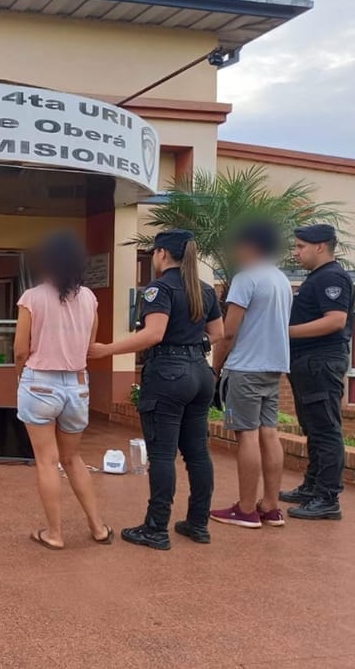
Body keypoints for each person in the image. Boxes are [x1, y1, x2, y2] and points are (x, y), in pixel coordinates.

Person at [89, 230, 223, 550]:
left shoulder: (160, 288)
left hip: (169, 375)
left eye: (154, 253)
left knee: (163, 454)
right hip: (200, 374)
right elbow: (217, 333)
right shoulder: (204, 290)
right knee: (197, 453)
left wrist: (106, 350)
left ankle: (156, 528)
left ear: (162, 254)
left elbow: (154, 334)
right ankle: (198, 523)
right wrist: (193, 346)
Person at [16, 231, 113, 550]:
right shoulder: (89, 299)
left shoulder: (32, 297)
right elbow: (88, 346)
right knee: (72, 459)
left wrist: (22, 379)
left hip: (40, 381)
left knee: (47, 460)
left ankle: (55, 533)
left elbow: (20, 350)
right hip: (77, 385)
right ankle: (98, 527)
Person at [209, 221, 292, 529]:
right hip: (274, 368)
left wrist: (216, 368)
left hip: (245, 368)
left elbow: (229, 332)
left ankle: (245, 509)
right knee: (269, 433)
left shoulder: (246, 279)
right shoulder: (282, 280)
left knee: (247, 434)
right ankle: (270, 507)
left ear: (251, 246)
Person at [280, 224, 353, 520]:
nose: (296, 253)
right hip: (308, 363)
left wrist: (285, 332)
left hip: (320, 362)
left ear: (320, 246)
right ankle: (312, 487)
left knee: (325, 429)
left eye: (300, 247)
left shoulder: (332, 277)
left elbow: (335, 321)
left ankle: (327, 497)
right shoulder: (318, 278)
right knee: (313, 428)